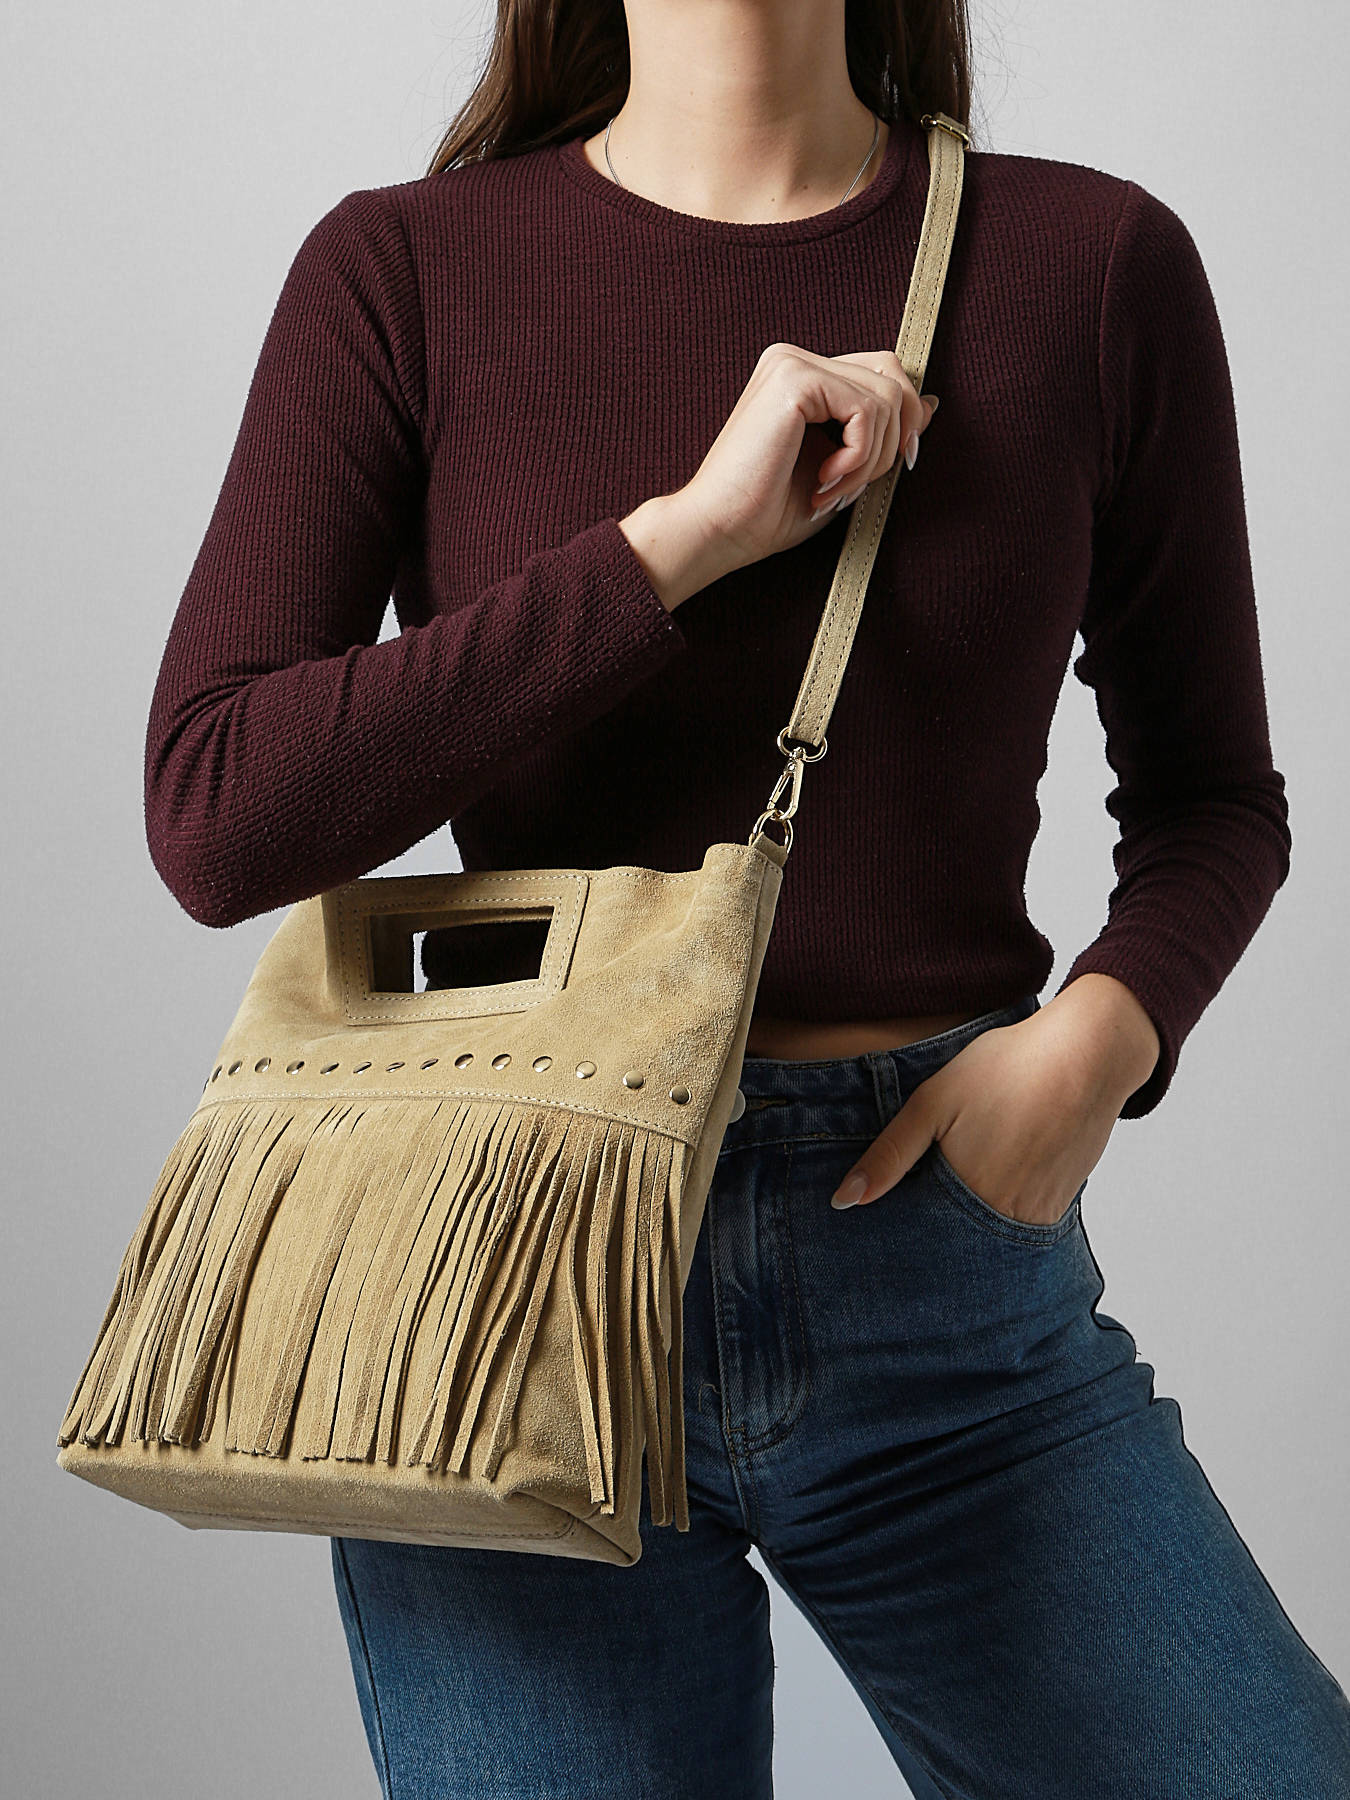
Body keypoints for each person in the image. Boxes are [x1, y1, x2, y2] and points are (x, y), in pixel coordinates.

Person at [143, 2, 1350, 1794]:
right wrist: (683, 541)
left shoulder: (1086, 263)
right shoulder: (403, 270)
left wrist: (1088, 1051)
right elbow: (217, 814)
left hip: (932, 1261)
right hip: (507, 1270)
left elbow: (1212, 799)